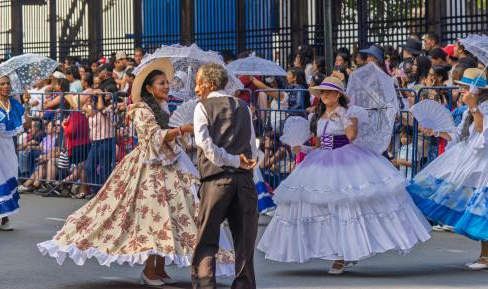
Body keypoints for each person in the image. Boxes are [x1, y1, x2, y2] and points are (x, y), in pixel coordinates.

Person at [37, 58, 235, 286]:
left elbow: (166, 137)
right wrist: (180, 129)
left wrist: (180, 133)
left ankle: (159, 267)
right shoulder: (140, 109)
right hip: (147, 168)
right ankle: (149, 270)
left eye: (168, 83)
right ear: (149, 88)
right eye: (162, 83)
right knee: (152, 217)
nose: (167, 86)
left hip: (172, 166)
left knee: (172, 217)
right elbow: (152, 137)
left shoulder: (164, 107)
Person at [257, 77, 431, 274]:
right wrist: (303, 148)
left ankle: (344, 254)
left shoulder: (348, 113)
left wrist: (342, 115)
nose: (323, 96)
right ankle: (335, 251)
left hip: (346, 160)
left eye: (327, 92)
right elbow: (320, 143)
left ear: (338, 94)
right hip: (320, 161)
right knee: (319, 206)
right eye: (321, 92)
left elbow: (351, 136)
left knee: (345, 205)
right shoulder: (318, 116)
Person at [407, 68, 488, 270]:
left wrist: (475, 107)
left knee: (481, 208)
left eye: (464, 87)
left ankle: (486, 257)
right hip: (471, 159)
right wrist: (436, 132)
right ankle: (485, 256)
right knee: (477, 207)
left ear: (475, 88)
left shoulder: (482, 106)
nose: (460, 91)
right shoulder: (470, 108)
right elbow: (459, 136)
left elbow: (482, 131)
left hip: (483, 162)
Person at [192, 63, 258, 289]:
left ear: (209, 84)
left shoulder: (203, 107)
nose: (196, 89)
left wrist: (230, 160)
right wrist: (242, 162)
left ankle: (205, 285)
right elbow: (251, 145)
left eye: (198, 83)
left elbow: (204, 144)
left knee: (206, 241)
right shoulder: (243, 106)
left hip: (216, 180)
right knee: (245, 243)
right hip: (244, 180)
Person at [0, 75, 30, 230]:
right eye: (2, 83)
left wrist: (27, 104)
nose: (6, 86)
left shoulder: (15, 104)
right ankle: (4, 219)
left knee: (9, 177)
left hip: (8, 149)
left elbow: (27, 123)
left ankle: (4, 217)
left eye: (8, 83)